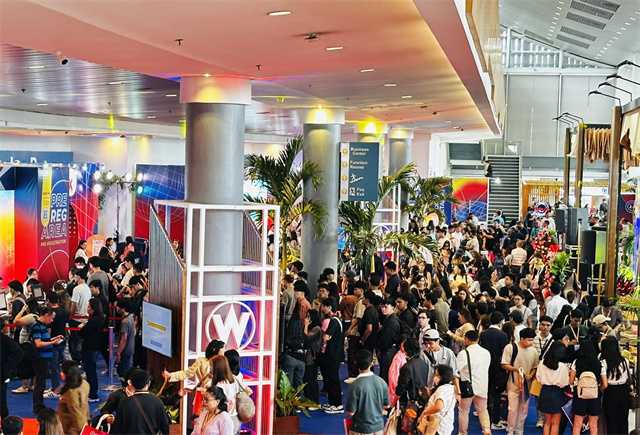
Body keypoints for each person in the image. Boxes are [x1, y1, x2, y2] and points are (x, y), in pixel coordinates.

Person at [501, 327, 539, 435]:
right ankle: (510, 429)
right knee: (512, 409)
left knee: (524, 410)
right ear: (522, 339)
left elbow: (535, 366)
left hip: (527, 385)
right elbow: (504, 364)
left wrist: (531, 375)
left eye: (532, 340)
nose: (531, 342)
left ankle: (519, 430)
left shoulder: (533, 351)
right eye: (529, 340)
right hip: (513, 384)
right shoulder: (511, 347)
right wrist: (516, 369)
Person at [111, 369, 169, 435]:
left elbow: (117, 429)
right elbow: (164, 426)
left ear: (131, 384)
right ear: (148, 383)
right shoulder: (157, 402)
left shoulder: (124, 403)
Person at [345, 349, 390, 435]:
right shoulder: (381, 382)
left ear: (355, 363)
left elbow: (351, 412)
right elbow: (387, 405)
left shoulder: (355, 385)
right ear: (371, 364)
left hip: (360, 428)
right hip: (378, 427)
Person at [456, 330, 492, 435]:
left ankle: (462, 433)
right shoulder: (486, 352)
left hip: (467, 387)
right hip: (482, 386)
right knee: (483, 410)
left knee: (463, 411)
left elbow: (456, 369)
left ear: (466, 339)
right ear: (478, 339)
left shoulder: (464, 353)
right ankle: (486, 430)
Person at [568, 340, 606, 435]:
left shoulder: (576, 362)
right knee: (593, 425)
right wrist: (599, 389)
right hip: (594, 395)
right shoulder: (599, 364)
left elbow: (571, 381)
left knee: (577, 424)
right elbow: (605, 384)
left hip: (580, 394)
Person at [210, 355, 252, 432]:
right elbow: (249, 391)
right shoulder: (234, 378)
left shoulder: (220, 385)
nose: (210, 368)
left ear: (217, 367)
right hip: (235, 416)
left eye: (211, 365)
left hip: (226, 418)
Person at [318, 297, 344, 414]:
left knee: (333, 380)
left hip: (333, 355)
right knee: (331, 379)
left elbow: (326, 336)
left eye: (324, 306)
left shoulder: (334, 321)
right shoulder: (337, 319)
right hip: (334, 354)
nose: (322, 308)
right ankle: (332, 402)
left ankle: (337, 404)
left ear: (329, 307)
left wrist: (324, 336)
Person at [536, 342, 569, 435]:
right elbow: (565, 382)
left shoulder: (542, 363)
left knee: (547, 422)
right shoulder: (562, 366)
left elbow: (538, 378)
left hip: (545, 391)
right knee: (555, 423)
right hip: (557, 392)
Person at [600, 336, 630, 435]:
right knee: (623, 418)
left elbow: (603, 382)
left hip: (610, 391)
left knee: (611, 419)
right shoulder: (625, 361)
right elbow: (628, 377)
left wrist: (600, 389)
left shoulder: (604, 363)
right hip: (624, 389)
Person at [417, 365, 457, 435]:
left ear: (443, 377)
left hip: (437, 426)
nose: (434, 377)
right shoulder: (451, 387)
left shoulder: (441, 390)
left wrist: (425, 413)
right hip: (446, 424)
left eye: (437, 375)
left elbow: (439, 406)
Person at [77, 298, 105, 402]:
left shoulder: (94, 320)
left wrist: (81, 327)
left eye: (89, 307)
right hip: (94, 347)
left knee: (90, 371)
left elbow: (82, 332)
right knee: (90, 371)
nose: (87, 308)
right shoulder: (99, 319)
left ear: (94, 309)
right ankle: (92, 393)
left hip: (90, 348)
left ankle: (93, 394)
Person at [57, 360, 90, 435]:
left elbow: (76, 412)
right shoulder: (84, 384)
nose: (60, 373)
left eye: (62, 372)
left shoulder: (71, 392)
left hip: (71, 429)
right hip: (84, 422)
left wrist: (81, 431)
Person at [0, 321, 24, 418]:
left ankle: (5, 424)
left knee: (1, 403)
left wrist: (6, 367)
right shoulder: (5, 340)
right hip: (2, 373)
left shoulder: (5, 340)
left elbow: (19, 353)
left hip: (1, 374)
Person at [376, 298, 401, 384]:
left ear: (393, 308)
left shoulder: (392, 322)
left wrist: (379, 349)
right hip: (388, 349)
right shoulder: (389, 319)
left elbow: (387, 339)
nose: (383, 309)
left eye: (386, 307)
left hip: (389, 350)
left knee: (386, 374)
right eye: (382, 307)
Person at [302, 309, 322, 406]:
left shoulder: (316, 329)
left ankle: (315, 401)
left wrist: (305, 325)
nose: (306, 318)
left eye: (308, 316)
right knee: (306, 378)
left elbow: (306, 337)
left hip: (312, 357)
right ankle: (309, 400)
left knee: (311, 379)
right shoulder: (312, 328)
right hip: (308, 357)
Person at [115, 299, 135, 384]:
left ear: (123, 309)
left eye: (118, 307)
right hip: (130, 350)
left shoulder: (124, 322)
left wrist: (118, 353)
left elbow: (124, 338)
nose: (116, 308)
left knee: (123, 373)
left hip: (125, 351)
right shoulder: (130, 317)